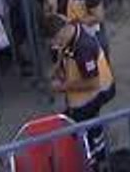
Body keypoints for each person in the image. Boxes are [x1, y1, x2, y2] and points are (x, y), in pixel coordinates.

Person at [46, 15, 116, 154]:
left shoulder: (84, 48)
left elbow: (92, 83)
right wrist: (57, 67)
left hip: (97, 92)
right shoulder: (70, 33)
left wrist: (62, 87)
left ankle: (98, 155)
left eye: (57, 40)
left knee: (86, 122)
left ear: (63, 30)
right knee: (76, 120)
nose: (56, 44)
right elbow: (63, 52)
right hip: (82, 90)